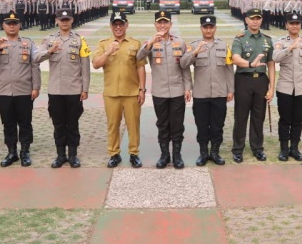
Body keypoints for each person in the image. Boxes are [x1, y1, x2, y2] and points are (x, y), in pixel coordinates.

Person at [34, 9, 91, 168]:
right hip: (55, 90)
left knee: (72, 123)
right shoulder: (49, 39)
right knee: (58, 124)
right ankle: (60, 155)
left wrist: (85, 88)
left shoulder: (80, 40)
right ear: (56, 20)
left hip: (74, 90)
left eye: (67, 19)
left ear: (72, 20)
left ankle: (73, 155)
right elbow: (36, 58)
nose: (64, 22)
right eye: (61, 19)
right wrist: (49, 51)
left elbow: (85, 66)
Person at [0, 11, 41, 167]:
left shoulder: (29, 43)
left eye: (15, 23)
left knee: (25, 123)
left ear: (20, 25)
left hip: (24, 90)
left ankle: (25, 152)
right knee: (8, 123)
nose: (12, 26)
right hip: (5, 91)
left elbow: (35, 65)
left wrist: (36, 87)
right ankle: (12, 152)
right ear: (3, 25)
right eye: (9, 23)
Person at [137, 11, 192, 169]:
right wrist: (150, 44)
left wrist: (187, 87)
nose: (162, 25)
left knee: (177, 124)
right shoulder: (151, 42)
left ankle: (177, 155)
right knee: (162, 124)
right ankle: (164, 155)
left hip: (177, 91)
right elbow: (139, 58)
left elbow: (185, 67)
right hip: (159, 92)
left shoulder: (180, 42)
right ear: (155, 25)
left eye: (165, 22)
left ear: (170, 24)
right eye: (159, 23)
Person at [92, 12, 147, 168]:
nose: (118, 27)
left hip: (132, 92)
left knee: (133, 124)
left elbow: (140, 67)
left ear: (126, 25)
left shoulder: (135, 44)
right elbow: (96, 64)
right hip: (111, 93)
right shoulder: (103, 44)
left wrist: (142, 89)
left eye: (121, 24)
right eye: (115, 24)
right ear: (110, 26)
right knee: (113, 124)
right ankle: (114, 154)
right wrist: (108, 51)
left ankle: (134, 153)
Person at [180, 15, 234, 166]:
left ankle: (215, 153)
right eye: (205, 27)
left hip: (219, 93)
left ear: (215, 28)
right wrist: (194, 53)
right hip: (201, 94)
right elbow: (183, 65)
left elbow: (229, 69)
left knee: (218, 125)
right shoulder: (194, 45)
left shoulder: (224, 45)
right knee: (202, 125)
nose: (208, 30)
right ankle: (203, 153)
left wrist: (230, 90)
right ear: (201, 28)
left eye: (211, 27)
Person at [231, 8, 275, 163]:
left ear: (261, 20)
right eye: (252, 18)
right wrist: (250, 63)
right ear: (246, 20)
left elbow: (271, 64)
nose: (255, 21)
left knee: (259, 116)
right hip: (243, 80)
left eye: (258, 18)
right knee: (241, 116)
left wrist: (272, 87)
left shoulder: (267, 40)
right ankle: (238, 149)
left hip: (261, 81)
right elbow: (235, 58)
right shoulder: (239, 39)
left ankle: (257, 148)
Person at [273, 13, 302, 161]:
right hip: (285, 87)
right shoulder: (280, 42)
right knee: (284, 120)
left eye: (297, 23)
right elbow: (275, 58)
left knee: (298, 120)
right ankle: (284, 149)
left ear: (300, 25)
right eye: (292, 23)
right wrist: (289, 48)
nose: (295, 26)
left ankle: (294, 148)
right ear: (286, 25)